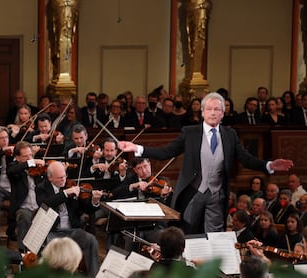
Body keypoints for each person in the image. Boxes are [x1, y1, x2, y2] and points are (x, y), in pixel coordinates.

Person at [117, 92, 294, 234]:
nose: (213, 112)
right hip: (194, 192)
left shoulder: (230, 135)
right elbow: (166, 152)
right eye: (209, 109)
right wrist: (137, 148)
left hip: (217, 195)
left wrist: (269, 165)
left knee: (214, 235)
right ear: (202, 112)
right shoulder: (190, 132)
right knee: (189, 234)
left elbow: (246, 158)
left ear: (223, 113)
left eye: (217, 109)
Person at [35, 161, 102, 277]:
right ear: (50, 178)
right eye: (59, 177)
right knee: (50, 253)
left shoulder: (71, 186)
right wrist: (65, 194)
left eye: (64, 176)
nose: (63, 180)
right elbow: (45, 204)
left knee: (91, 240)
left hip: (72, 230)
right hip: (52, 231)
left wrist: (94, 201)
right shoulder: (41, 188)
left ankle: (93, 275)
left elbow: (86, 208)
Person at [6, 141, 45, 251]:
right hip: (23, 208)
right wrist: (30, 162)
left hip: (39, 206)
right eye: (25, 156)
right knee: (24, 217)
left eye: (30, 155)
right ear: (17, 158)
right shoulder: (14, 168)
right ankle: (23, 254)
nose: (29, 158)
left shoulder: (37, 169)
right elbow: (11, 171)